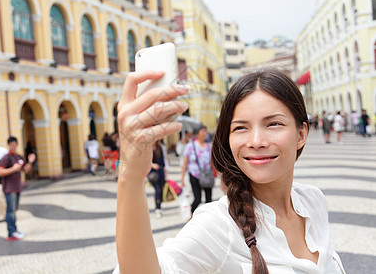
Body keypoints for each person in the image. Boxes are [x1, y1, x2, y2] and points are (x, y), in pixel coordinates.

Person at [115, 69, 345, 273]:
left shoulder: (313, 201)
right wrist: (131, 176)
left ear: (301, 134)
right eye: (241, 127)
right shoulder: (219, 224)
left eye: (273, 124)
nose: (256, 141)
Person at [0, 136, 36, 241]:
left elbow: (25, 170)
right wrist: (13, 169)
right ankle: (11, 233)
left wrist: (30, 162)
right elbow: (0, 172)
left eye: (14, 145)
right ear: (9, 145)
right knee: (10, 210)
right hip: (9, 188)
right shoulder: (6, 158)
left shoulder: (19, 157)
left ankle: (15, 230)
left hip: (17, 187)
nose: (13, 147)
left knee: (14, 210)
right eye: (11, 145)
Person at [180, 126, 213, 214]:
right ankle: (191, 214)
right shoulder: (190, 146)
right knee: (197, 199)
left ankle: (208, 218)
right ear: (197, 134)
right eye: (202, 131)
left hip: (206, 175)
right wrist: (182, 178)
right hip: (194, 175)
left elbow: (212, 162)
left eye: (206, 131)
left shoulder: (209, 146)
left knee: (209, 200)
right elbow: (185, 163)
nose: (205, 133)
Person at [150, 140, 168, 218]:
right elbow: (144, 161)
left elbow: (163, 161)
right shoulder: (147, 148)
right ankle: (157, 208)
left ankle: (159, 206)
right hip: (152, 173)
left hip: (160, 172)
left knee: (161, 190)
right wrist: (152, 165)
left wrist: (165, 173)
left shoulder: (159, 147)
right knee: (158, 190)